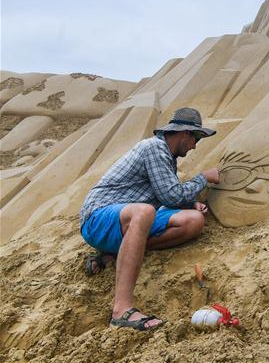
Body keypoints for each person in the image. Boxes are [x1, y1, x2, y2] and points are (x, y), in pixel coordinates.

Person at [79, 107, 221, 330]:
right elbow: (171, 195)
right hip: (98, 219)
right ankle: (122, 310)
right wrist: (203, 178)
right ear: (184, 133)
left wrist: (190, 203)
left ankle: (115, 253)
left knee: (193, 221)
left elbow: (166, 194)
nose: (194, 146)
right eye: (195, 139)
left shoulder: (167, 156)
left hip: (124, 220)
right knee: (144, 211)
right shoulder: (155, 148)